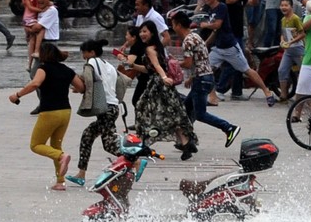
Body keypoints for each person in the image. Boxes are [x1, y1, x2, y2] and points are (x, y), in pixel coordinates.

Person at [10, 42, 80, 190]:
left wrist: (17, 95)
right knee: (56, 146)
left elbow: (35, 83)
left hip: (49, 112)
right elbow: (81, 87)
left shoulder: (43, 68)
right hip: (66, 112)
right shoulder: (66, 70)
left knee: (36, 145)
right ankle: (60, 182)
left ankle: (62, 157)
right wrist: (71, 88)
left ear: (43, 55)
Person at [129, 20, 195, 159]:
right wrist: (133, 65)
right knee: (172, 115)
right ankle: (186, 144)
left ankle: (142, 145)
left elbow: (157, 66)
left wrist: (164, 77)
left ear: (152, 33)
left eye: (145, 31)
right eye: (141, 31)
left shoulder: (149, 49)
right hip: (162, 84)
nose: (142, 34)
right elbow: (149, 69)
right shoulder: (156, 47)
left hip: (157, 85)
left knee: (143, 110)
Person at [171, 10, 237, 148]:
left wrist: (174, 63)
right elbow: (199, 60)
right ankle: (188, 141)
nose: (172, 28)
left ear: (178, 25)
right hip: (205, 77)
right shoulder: (195, 36)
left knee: (200, 114)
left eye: (173, 24)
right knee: (186, 109)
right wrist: (192, 77)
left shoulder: (187, 41)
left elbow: (188, 63)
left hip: (201, 80)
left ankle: (228, 128)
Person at [66, 37, 118, 185]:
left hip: (105, 109)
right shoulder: (108, 65)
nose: (83, 57)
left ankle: (136, 160)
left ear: (92, 52)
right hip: (112, 107)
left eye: (84, 53)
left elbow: (88, 82)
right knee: (87, 136)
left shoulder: (91, 63)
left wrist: (80, 89)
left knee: (109, 145)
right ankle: (81, 174)